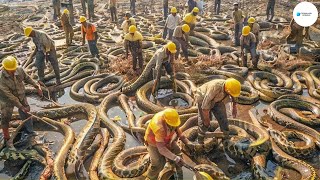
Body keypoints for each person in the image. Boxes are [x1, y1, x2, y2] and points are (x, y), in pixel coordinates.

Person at [0, 56, 43, 148]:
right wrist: (20, 106)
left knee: (26, 113)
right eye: (10, 70)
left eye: (14, 69)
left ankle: (30, 131)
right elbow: (10, 96)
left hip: (21, 95)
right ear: (5, 68)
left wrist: (36, 86)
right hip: (6, 100)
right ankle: (7, 139)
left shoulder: (19, 70)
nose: (13, 71)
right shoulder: (1, 79)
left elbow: (27, 78)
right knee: (5, 118)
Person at [144, 108, 190, 180]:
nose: (174, 126)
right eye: (172, 125)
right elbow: (161, 149)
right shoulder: (159, 127)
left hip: (167, 139)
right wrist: (175, 158)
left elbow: (178, 131)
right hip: (153, 142)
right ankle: (150, 177)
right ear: (165, 121)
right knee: (158, 164)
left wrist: (188, 142)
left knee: (177, 152)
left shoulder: (173, 119)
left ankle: (175, 169)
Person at [195, 78, 241, 143]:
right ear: (226, 89)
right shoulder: (215, 88)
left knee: (223, 118)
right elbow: (205, 107)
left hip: (217, 99)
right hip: (203, 98)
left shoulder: (230, 87)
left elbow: (233, 94)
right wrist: (206, 119)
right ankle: (200, 140)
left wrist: (234, 106)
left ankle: (225, 137)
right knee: (204, 123)